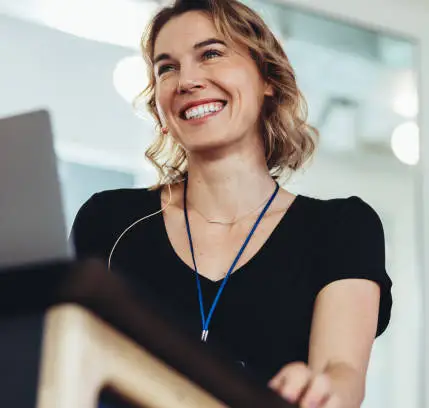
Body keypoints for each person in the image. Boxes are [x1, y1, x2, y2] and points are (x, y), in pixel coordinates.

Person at [70, 0, 392, 407]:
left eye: (211, 54)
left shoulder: (341, 228)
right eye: (167, 67)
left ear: (266, 78)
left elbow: (340, 371)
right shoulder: (109, 221)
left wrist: (322, 391)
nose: (187, 80)